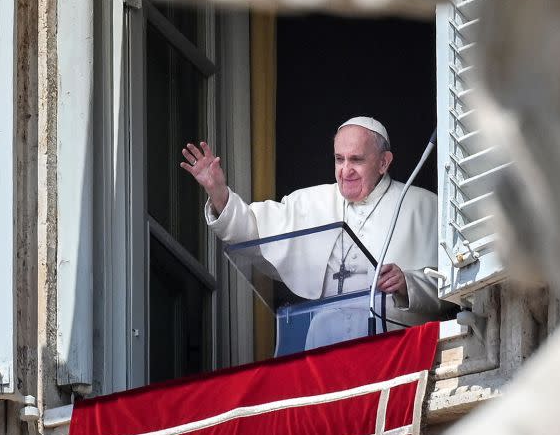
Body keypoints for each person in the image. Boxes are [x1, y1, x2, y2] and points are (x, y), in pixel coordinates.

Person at [180, 116, 453, 348]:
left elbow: (457, 288)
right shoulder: (311, 202)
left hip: (396, 346)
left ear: (383, 162)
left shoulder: (424, 207)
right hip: (325, 345)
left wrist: (409, 284)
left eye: (356, 160)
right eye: (339, 159)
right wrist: (218, 193)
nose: (346, 171)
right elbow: (251, 228)